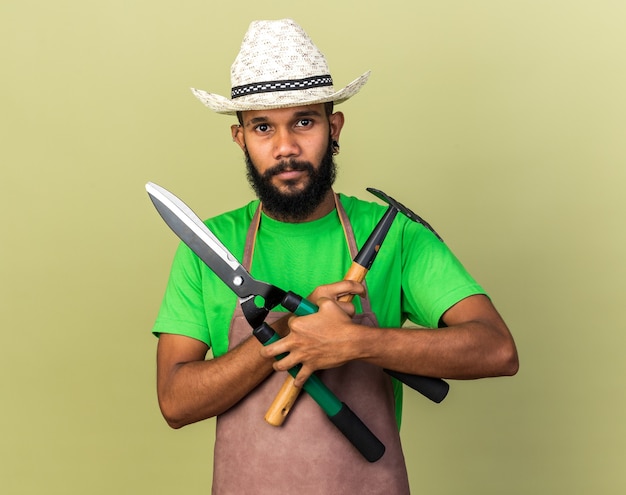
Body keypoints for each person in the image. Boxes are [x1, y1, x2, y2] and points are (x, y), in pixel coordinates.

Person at [152, 18, 518, 494]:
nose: (286, 148)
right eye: (263, 127)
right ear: (240, 138)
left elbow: (497, 349)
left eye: (304, 121)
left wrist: (357, 343)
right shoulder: (208, 246)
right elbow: (176, 403)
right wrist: (285, 331)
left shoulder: (393, 235)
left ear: (334, 125)